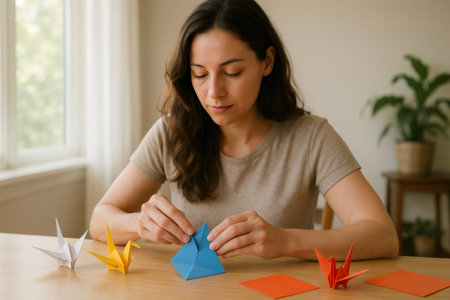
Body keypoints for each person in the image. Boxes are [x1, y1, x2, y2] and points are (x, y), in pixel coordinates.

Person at [90, 0, 398, 261]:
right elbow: (100, 219)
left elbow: (383, 236)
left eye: (232, 72)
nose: (214, 92)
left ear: (267, 62)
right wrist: (139, 224)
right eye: (199, 75)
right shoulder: (171, 132)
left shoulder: (311, 138)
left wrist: (286, 241)